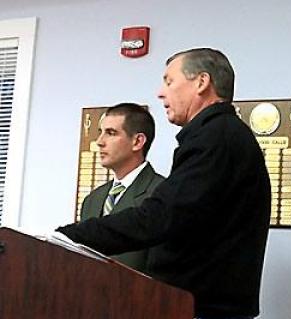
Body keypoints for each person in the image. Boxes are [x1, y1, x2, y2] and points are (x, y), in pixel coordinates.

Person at [57, 48, 271, 319]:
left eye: (169, 81)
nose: (160, 92)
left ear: (201, 83)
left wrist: (68, 237)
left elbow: (160, 218)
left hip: (203, 308)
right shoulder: (220, 135)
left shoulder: (216, 137)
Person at [80, 102, 165, 272]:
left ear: (137, 141)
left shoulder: (162, 193)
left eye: (111, 133)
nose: (99, 142)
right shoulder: (93, 200)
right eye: (100, 132)